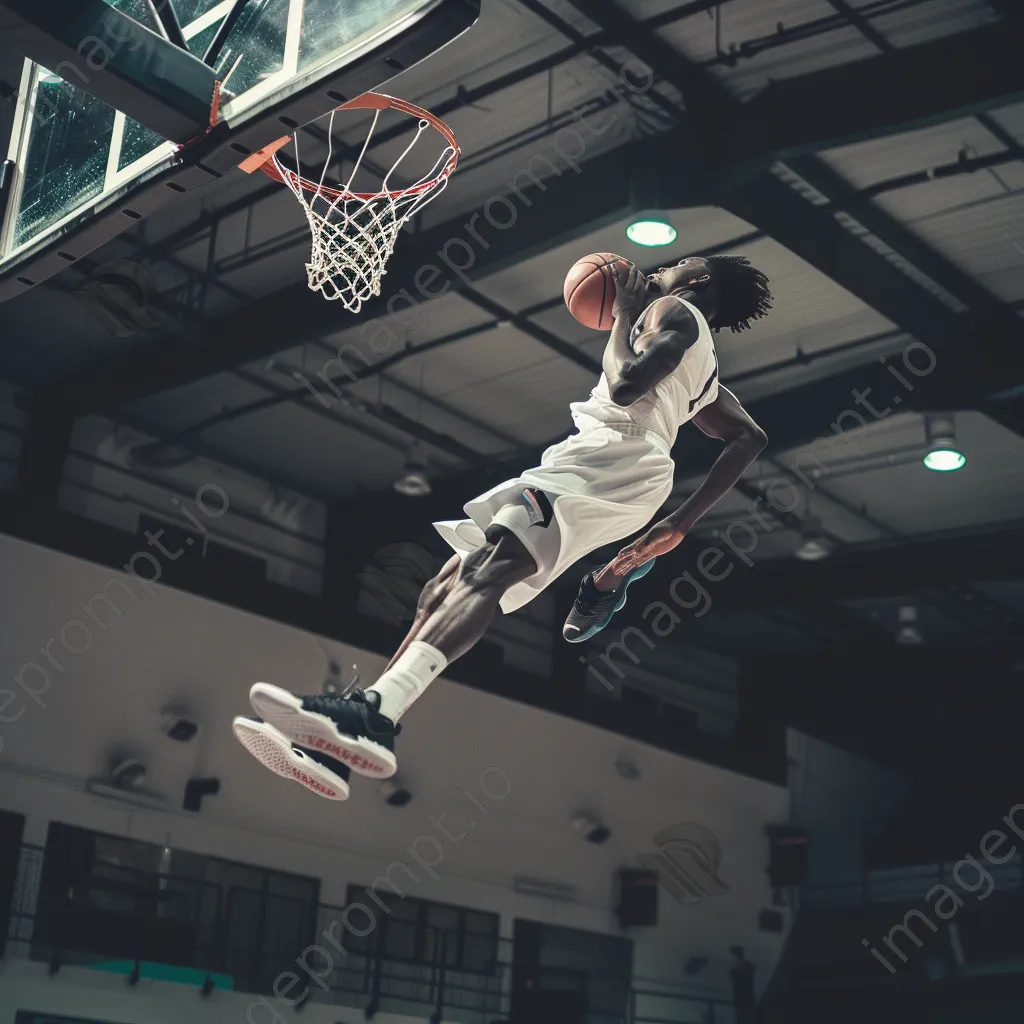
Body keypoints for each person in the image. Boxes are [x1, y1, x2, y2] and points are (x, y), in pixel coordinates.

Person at [233, 255, 772, 797]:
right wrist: (679, 523)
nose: (665, 267)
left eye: (681, 263)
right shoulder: (704, 374)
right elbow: (749, 438)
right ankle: (357, 729)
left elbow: (626, 384)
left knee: (489, 570)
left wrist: (626, 311)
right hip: (605, 459)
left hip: (617, 456)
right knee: (442, 586)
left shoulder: (671, 310)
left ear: (696, 281)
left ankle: (373, 713)